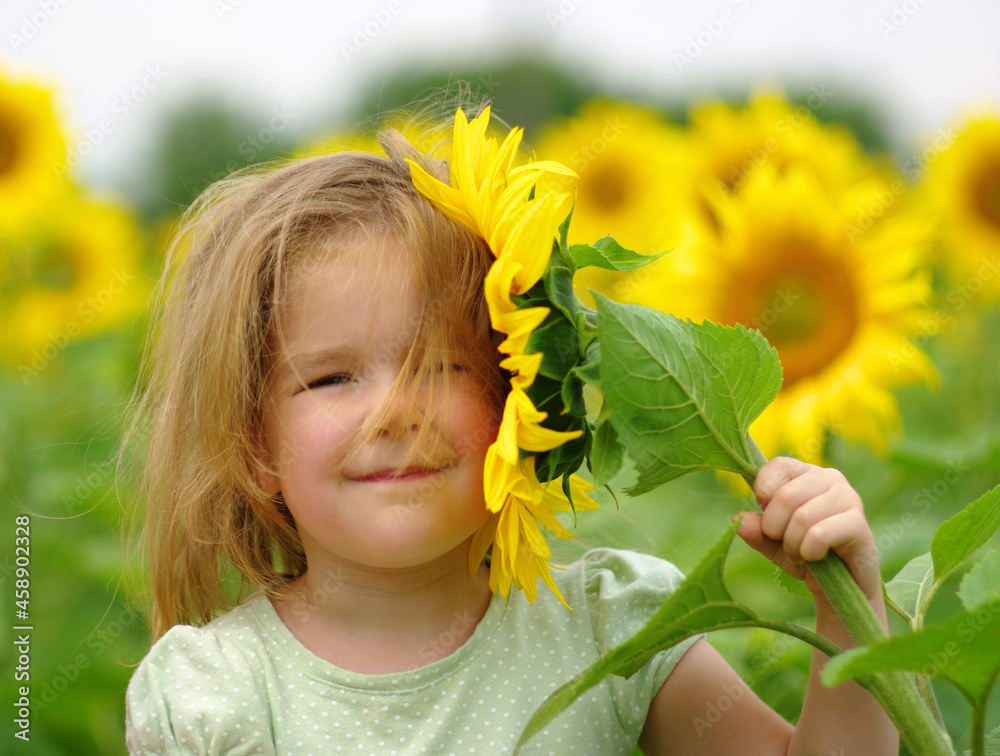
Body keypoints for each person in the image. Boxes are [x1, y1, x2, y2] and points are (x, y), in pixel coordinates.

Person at [124, 108, 897, 755]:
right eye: (331, 378)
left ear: (519, 387)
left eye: (443, 365)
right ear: (254, 447)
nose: (396, 411)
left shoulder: (607, 628)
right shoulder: (215, 696)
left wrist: (850, 606)